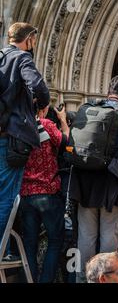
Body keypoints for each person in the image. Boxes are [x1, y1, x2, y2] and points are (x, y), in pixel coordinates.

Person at [70, 75, 118, 282]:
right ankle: (107, 279)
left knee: (86, 236)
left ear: (109, 91)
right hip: (111, 183)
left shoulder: (89, 107)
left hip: (85, 180)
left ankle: (84, 279)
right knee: (109, 235)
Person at [0, 23, 50, 244]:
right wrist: (41, 103)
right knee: (7, 198)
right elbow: (39, 87)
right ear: (28, 39)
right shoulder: (22, 58)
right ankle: (2, 248)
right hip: (13, 139)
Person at [18, 103, 69, 283]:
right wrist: (63, 119)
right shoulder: (45, 124)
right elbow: (66, 143)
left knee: (29, 245)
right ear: (43, 108)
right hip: (48, 192)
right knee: (55, 241)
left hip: (25, 193)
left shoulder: (20, 125)